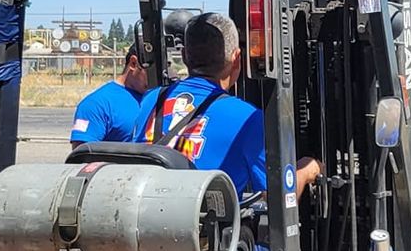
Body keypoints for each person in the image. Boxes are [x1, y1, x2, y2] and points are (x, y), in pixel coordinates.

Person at [134, 12, 320, 201]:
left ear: (184, 56)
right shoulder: (247, 119)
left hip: (147, 220)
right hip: (205, 227)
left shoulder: (150, 100)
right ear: (237, 58)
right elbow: (278, 198)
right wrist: (306, 170)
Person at [70, 40, 152, 145]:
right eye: (152, 71)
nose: (157, 78)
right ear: (133, 63)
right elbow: (82, 156)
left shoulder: (164, 99)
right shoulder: (96, 105)